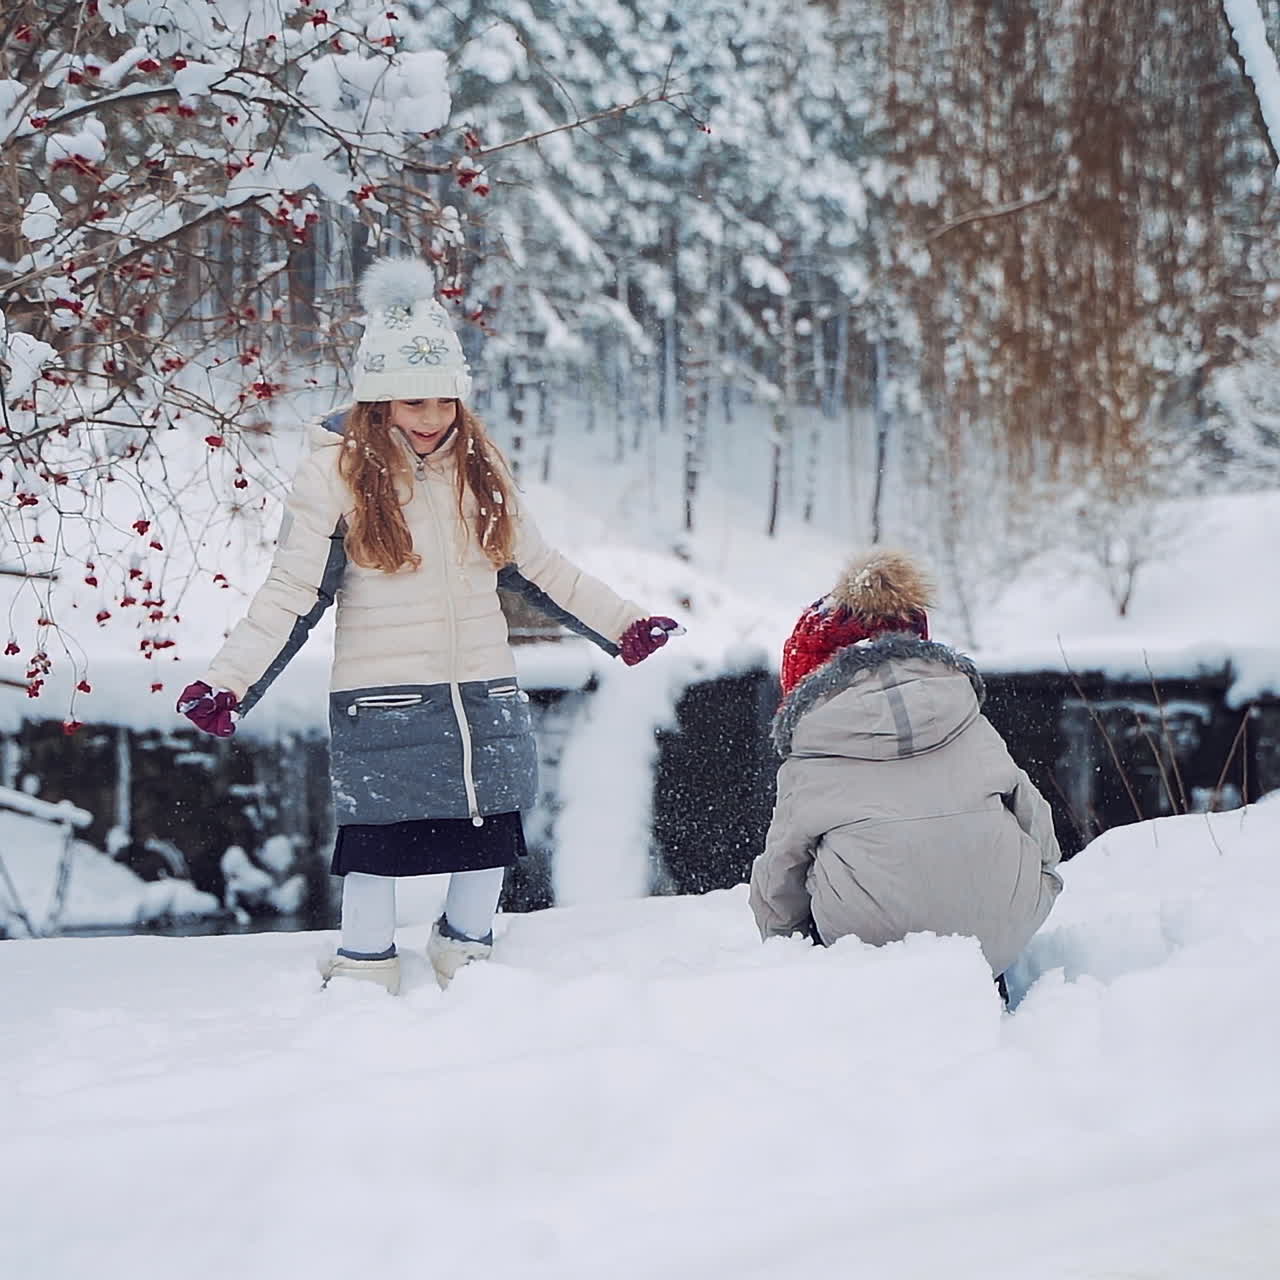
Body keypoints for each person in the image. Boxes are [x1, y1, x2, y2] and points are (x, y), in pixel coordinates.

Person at [177, 259, 680, 994]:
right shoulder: (335, 476)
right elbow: (291, 592)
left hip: (480, 689)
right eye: (413, 400)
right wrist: (228, 684)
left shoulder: (479, 467)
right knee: (379, 842)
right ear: (377, 402)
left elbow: (542, 567)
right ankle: (364, 962)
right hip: (384, 696)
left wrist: (625, 624)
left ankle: (464, 948)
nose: (431, 416)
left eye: (444, 400)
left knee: (488, 828)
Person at [748, 548, 1061, 991]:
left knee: (820, 864)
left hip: (875, 949)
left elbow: (780, 877)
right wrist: (1039, 884)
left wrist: (788, 949)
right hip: (1006, 930)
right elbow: (1038, 825)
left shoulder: (813, 756)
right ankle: (985, 973)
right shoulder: (967, 716)